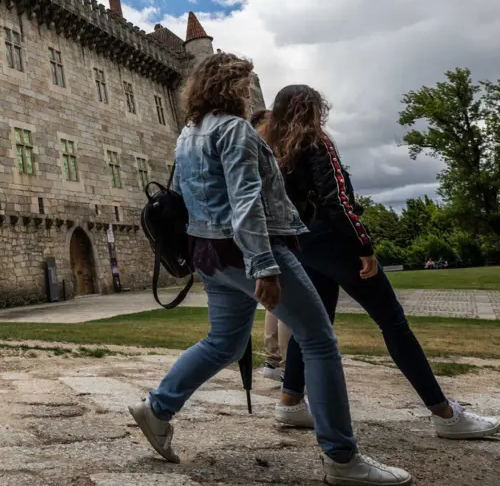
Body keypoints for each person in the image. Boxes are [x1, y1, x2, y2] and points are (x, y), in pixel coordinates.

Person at [127, 54, 410, 486]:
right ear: (232, 89)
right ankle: (342, 457)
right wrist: (266, 267)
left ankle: (158, 407)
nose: (247, 92)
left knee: (222, 342)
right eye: (242, 84)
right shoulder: (234, 130)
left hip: (210, 255)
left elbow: (185, 197)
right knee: (318, 341)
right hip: (248, 252)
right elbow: (246, 203)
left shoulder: (188, 134)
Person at [266, 84, 500, 441]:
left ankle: (291, 399)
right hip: (334, 241)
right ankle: (444, 413)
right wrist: (364, 246)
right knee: (393, 321)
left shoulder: (276, 152)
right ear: (312, 111)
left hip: (304, 245)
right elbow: (339, 202)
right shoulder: (317, 143)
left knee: (311, 325)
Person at [250, 108, 291, 383]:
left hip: (264, 236)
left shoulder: (250, 151)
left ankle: (274, 361)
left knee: (274, 303)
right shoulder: (273, 155)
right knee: (292, 305)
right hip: (282, 233)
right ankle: (290, 366)